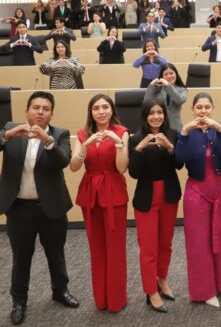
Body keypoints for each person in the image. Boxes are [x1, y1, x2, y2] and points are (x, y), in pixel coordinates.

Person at [0, 91, 79, 325]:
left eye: (45, 109)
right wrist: (7, 135)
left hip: (51, 208)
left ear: (51, 114)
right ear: (27, 111)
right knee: (22, 257)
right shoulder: (12, 129)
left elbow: (63, 161)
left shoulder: (60, 134)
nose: (40, 112)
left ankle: (60, 291)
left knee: (56, 253)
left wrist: (47, 141)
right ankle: (19, 300)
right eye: (36, 107)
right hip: (19, 209)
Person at [69, 94, 130, 313]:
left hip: (113, 190)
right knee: (96, 247)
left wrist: (118, 144)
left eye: (105, 107)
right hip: (90, 192)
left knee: (115, 248)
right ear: (91, 112)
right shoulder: (82, 133)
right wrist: (85, 145)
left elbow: (122, 168)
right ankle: (101, 299)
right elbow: (74, 167)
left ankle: (116, 299)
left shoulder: (122, 132)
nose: (101, 111)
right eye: (96, 108)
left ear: (112, 110)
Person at [175, 93, 221, 307]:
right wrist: (183, 133)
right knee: (199, 242)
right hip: (196, 192)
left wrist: (218, 129)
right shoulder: (187, 132)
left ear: (213, 108)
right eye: (199, 107)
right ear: (192, 110)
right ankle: (204, 291)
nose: (203, 111)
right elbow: (179, 161)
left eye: (207, 107)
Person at [128, 100, 182, 313]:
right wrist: (139, 149)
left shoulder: (173, 134)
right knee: (148, 248)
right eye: (152, 113)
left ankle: (162, 280)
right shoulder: (135, 139)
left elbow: (179, 164)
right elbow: (134, 172)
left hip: (169, 195)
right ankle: (151, 291)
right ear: (145, 116)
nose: (156, 117)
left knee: (166, 244)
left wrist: (170, 148)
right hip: (146, 198)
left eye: (160, 112)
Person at [143, 63, 188, 131]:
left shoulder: (182, 89)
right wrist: (151, 86)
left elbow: (179, 100)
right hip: (159, 126)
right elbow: (146, 102)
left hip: (175, 127)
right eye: (166, 74)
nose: (169, 76)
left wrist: (168, 85)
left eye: (171, 73)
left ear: (176, 74)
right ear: (162, 77)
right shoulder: (158, 89)